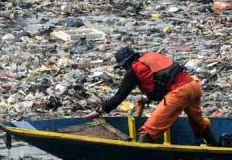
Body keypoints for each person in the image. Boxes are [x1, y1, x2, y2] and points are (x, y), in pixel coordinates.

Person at [85, 47, 223, 146]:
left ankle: (139, 155)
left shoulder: (133, 70)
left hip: (179, 93)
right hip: (193, 87)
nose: (124, 69)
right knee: (198, 121)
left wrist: (99, 111)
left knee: (148, 130)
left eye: (123, 66)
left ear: (126, 63)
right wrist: (146, 98)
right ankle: (217, 145)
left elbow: (120, 96)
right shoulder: (150, 58)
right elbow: (162, 82)